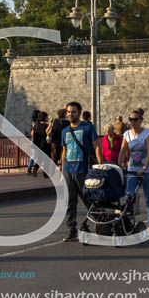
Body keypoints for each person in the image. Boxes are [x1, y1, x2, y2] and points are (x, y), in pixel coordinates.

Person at [60, 101, 101, 242]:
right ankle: (72, 230)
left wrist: (100, 165)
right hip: (68, 171)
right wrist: (62, 170)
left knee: (89, 199)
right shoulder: (65, 131)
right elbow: (64, 151)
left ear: (79, 112)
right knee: (70, 202)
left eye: (74, 112)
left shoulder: (88, 127)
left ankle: (101, 224)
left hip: (84, 170)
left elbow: (96, 147)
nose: (71, 114)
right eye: (69, 112)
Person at [119, 108, 149, 226]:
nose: (132, 122)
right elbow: (122, 151)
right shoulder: (127, 134)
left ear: (140, 120)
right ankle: (127, 223)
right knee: (128, 196)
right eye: (130, 119)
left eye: (135, 119)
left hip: (147, 171)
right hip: (132, 171)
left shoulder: (147, 134)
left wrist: (144, 168)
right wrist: (119, 165)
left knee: (148, 200)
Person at [30, 111, 50, 177]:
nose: (48, 118)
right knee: (47, 158)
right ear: (44, 118)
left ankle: (35, 167)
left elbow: (32, 133)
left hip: (37, 144)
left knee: (40, 158)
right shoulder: (46, 126)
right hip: (45, 144)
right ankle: (45, 174)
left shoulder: (36, 125)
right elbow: (48, 133)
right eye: (47, 117)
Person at [26, 110, 41, 175]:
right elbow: (33, 132)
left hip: (33, 141)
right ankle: (30, 168)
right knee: (35, 155)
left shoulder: (33, 122)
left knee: (35, 155)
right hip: (36, 141)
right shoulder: (37, 123)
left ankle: (31, 168)